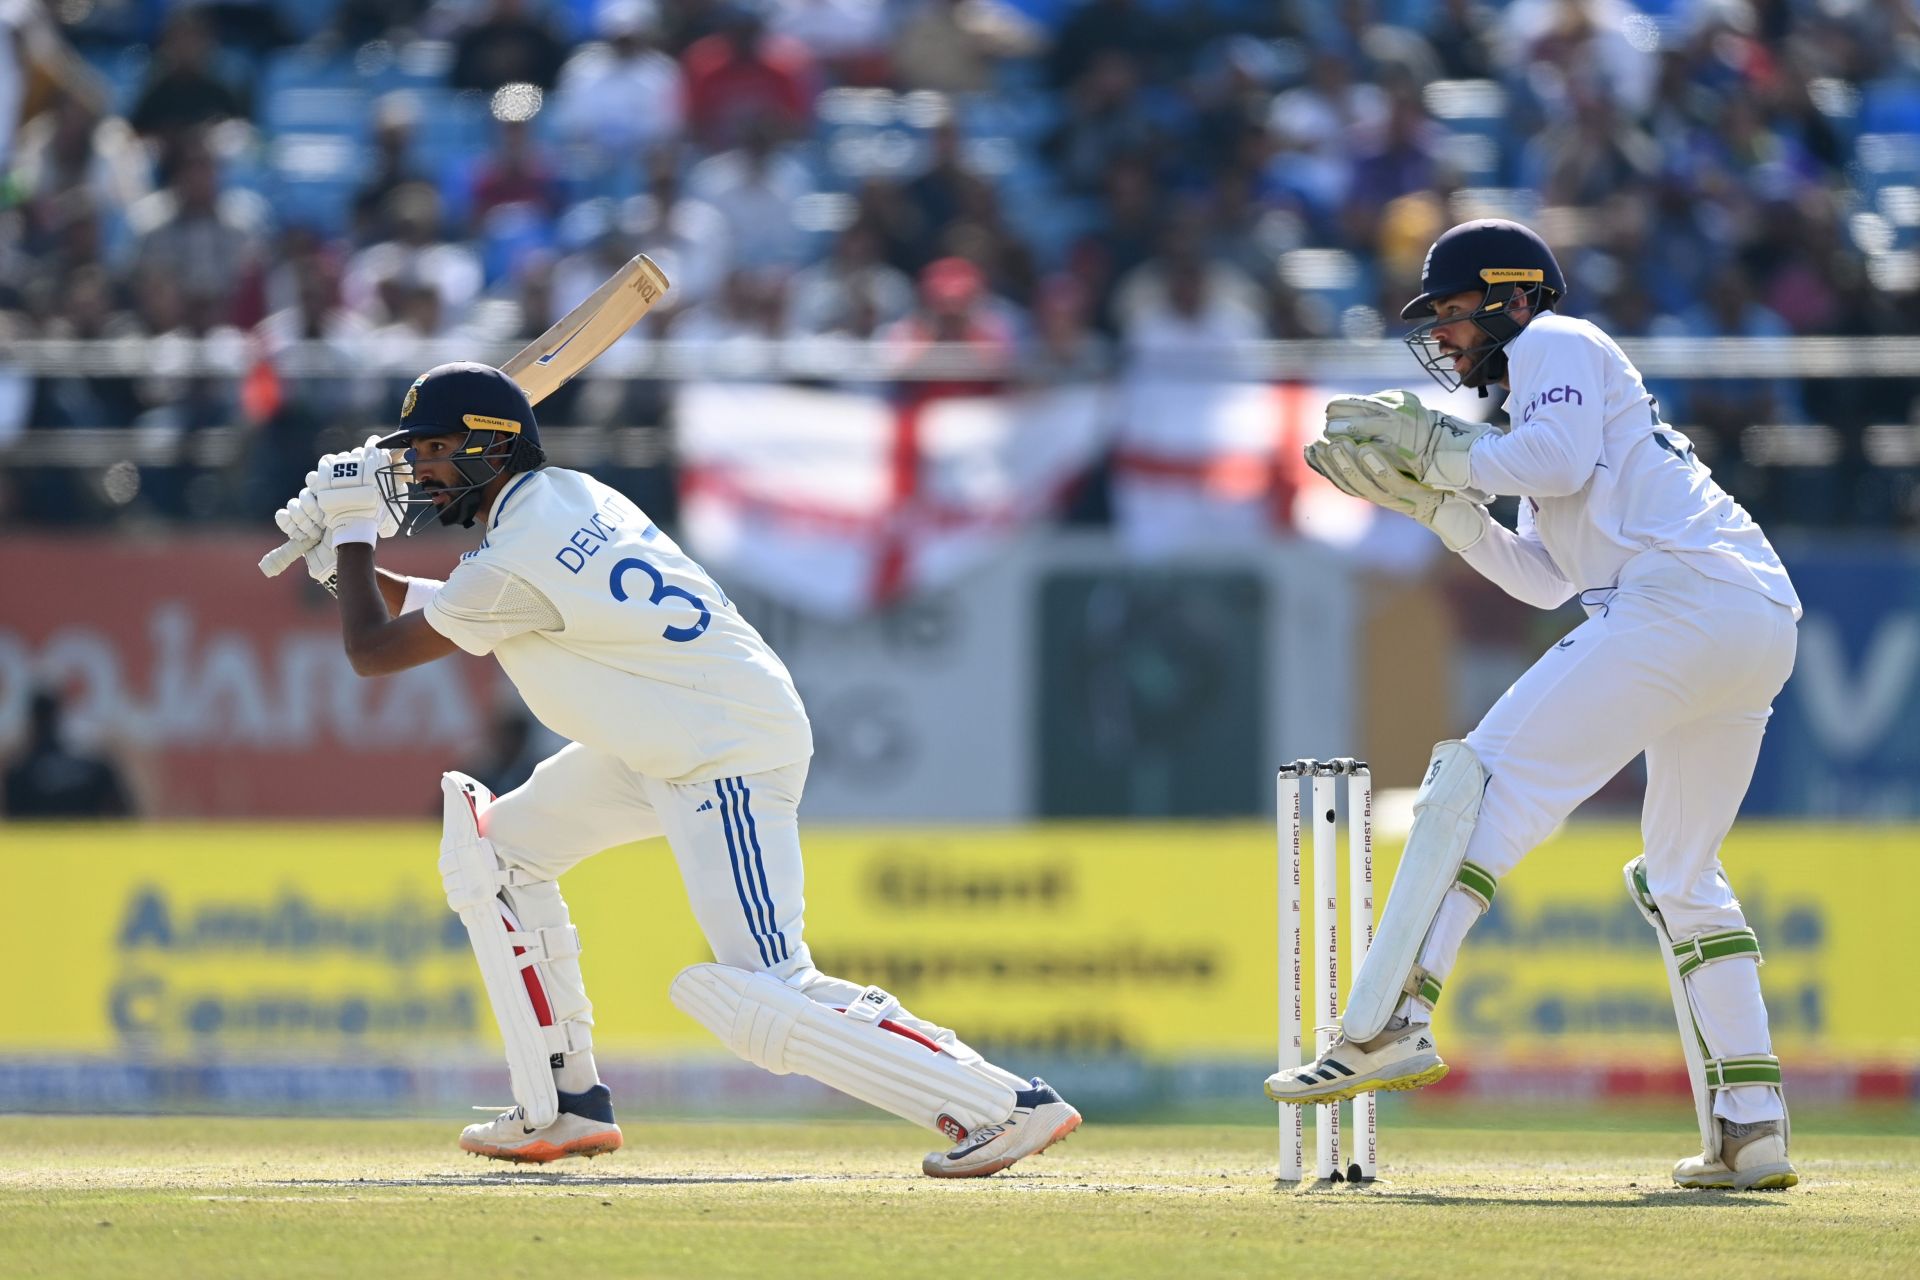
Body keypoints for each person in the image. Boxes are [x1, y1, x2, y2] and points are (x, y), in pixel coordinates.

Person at [270, 362, 1079, 1176]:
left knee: (765, 986)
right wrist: (337, 555)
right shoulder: (566, 501)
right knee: (497, 853)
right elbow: (445, 607)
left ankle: (1004, 1104)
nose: (423, 469)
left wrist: (349, 535)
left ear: (493, 448)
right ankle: (563, 1106)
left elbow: (375, 650)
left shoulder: (517, 557)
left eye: (438, 449)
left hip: (720, 751)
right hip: (663, 742)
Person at [1270, 219, 1802, 1192]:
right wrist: (1442, 505)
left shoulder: (1558, 343)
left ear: (1515, 298)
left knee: (1476, 781)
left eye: (1459, 310)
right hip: (1754, 616)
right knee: (1681, 871)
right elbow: (1540, 578)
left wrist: (1442, 451)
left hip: (1676, 600)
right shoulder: (1540, 413)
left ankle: (1392, 1017)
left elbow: (1549, 466)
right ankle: (1750, 1124)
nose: (1449, 334)